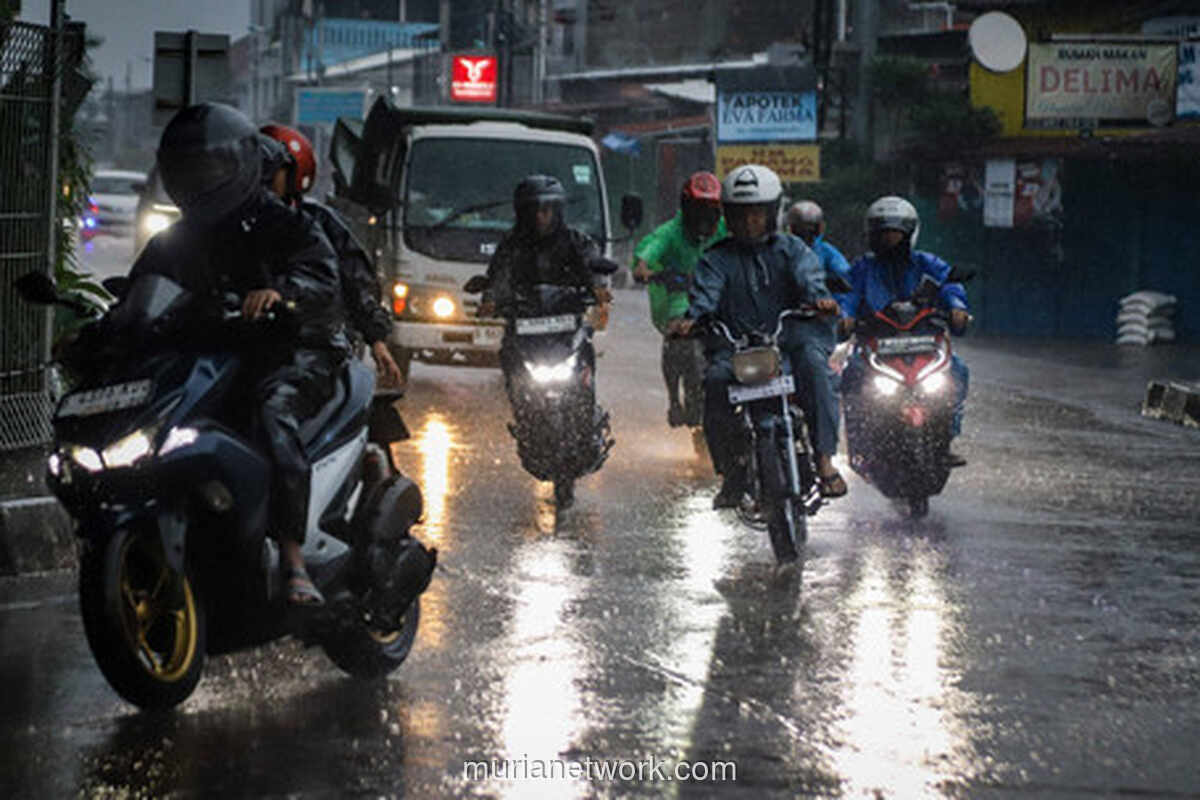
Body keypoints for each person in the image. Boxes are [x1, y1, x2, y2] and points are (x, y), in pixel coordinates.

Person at [131, 102, 350, 606]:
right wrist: (106, 326)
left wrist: (282, 294)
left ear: (239, 165)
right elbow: (141, 288)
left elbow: (321, 273)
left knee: (273, 415)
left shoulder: (285, 223)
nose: (202, 178)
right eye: (192, 169)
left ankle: (293, 558)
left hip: (296, 348)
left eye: (212, 166)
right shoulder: (178, 238)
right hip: (217, 353)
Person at [668, 164, 846, 507]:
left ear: (772, 213)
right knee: (715, 382)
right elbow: (706, 293)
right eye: (742, 215)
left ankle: (824, 461)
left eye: (757, 214)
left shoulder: (792, 250)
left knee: (815, 366)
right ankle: (731, 473)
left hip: (790, 342)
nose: (750, 222)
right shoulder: (716, 258)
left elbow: (809, 277)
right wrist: (694, 318)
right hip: (737, 349)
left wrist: (818, 299)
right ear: (729, 216)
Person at [257, 123, 405, 388]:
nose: (262, 178)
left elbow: (355, 281)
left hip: (310, 345)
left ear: (294, 173)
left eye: (271, 170)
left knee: (278, 410)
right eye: (256, 168)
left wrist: (377, 340)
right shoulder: (235, 222)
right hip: (245, 341)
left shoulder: (316, 223)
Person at [837, 195, 970, 466]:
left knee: (958, 370)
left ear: (910, 234)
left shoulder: (926, 262)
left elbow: (948, 284)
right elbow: (847, 296)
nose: (889, 240)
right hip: (876, 344)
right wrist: (845, 317)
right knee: (850, 376)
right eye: (883, 234)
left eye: (895, 234)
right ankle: (859, 444)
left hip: (924, 343)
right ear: (871, 235)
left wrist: (957, 307)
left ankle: (947, 435)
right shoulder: (863, 267)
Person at [632, 171, 727, 427]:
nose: (704, 218)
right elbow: (645, 258)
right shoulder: (670, 233)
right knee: (677, 336)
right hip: (680, 298)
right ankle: (675, 399)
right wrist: (649, 271)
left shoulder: (725, 230)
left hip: (722, 297)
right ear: (686, 209)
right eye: (699, 210)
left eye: (711, 210)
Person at [477, 173, 612, 341]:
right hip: (524, 321)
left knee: (584, 346)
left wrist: (598, 289)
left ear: (557, 212)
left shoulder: (577, 241)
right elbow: (500, 274)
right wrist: (491, 300)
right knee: (508, 351)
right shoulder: (512, 244)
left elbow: (591, 263)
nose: (541, 217)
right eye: (534, 211)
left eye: (547, 210)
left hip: (565, 321)